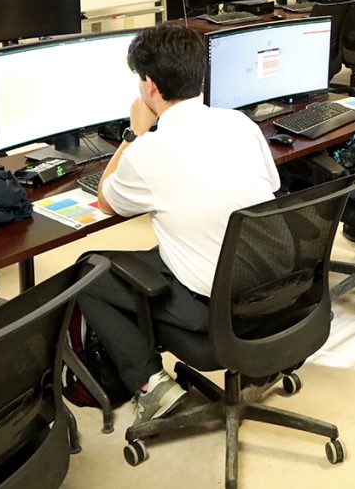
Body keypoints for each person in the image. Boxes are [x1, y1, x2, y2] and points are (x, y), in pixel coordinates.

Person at [76, 22, 280, 424]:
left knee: (90, 270)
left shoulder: (149, 151)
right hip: (276, 291)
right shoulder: (241, 124)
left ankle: (152, 385)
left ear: (149, 85)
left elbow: (105, 200)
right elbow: (269, 189)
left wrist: (134, 135)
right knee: (157, 252)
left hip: (217, 314)